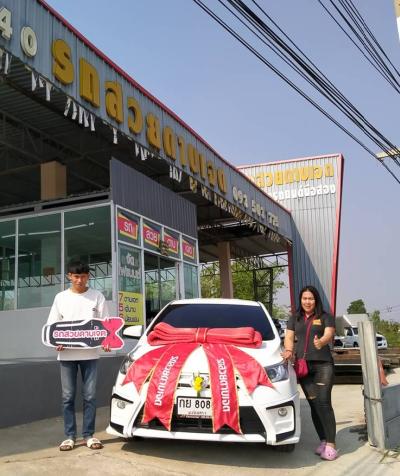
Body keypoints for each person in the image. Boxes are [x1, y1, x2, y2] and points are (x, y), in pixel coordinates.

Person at [47, 260, 110, 451]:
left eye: (83, 276)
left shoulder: (97, 296)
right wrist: (56, 341)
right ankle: (69, 436)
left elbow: (106, 324)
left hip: (90, 355)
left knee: (90, 396)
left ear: (88, 276)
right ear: (69, 276)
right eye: (76, 276)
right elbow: (52, 326)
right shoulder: (60, 298)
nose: (79, 280)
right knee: (68, 397)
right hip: (67, 356)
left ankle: (88, 435)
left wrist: (107, 341)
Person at [282, 285, 337, 461]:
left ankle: (331, 445)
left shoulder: (325, 317)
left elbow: (329, 333)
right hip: (303, 366)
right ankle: (323, 440)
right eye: (305, 298)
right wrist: (288, 350)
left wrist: (321, 341)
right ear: (301, 300)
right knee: (313, 404)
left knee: (323, 402)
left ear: (316, 300)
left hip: (323, 365)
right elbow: (289, 337)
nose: (307, 302)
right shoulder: (294, 318)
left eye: (311, 298)